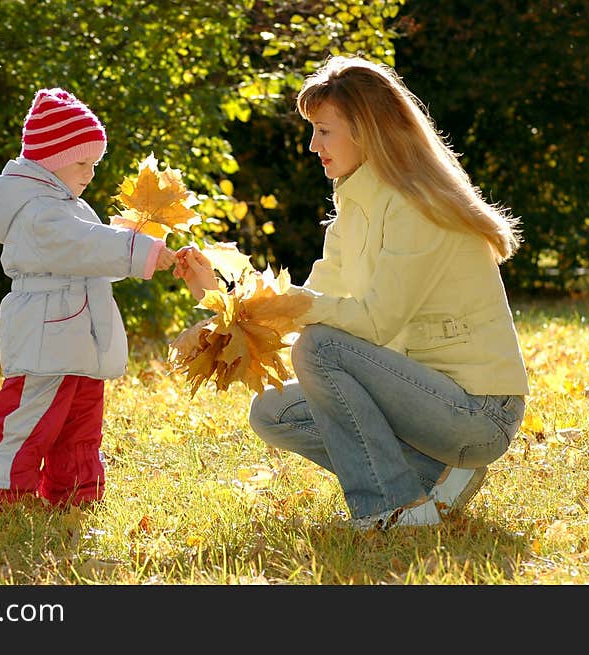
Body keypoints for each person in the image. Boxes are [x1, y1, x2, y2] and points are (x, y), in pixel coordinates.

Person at [174, 55, 529, 531]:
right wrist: (221, 297)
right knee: (273, 412)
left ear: (366, 129)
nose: (311, 144)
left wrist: (296, 311)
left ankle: (394, 507)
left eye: (323, 130)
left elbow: (372, 322)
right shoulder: (354, 204)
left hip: (477, 411)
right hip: (422, 400)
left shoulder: (416, 205)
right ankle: (437, 475)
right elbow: (308, 307)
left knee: (321, 347)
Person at [0, 88, 176, 510]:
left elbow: (93, 254)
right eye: (83, 162)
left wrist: (137, 246)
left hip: (74, 331)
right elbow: (86, 245)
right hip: (47, 334)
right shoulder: (38, 212)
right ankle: (2, 490)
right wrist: (141, 249)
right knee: (29, 416)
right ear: (51, 157)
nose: (91, 173)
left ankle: (77, 490)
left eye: (95, 164)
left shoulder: (63, 206)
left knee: (80, 418)